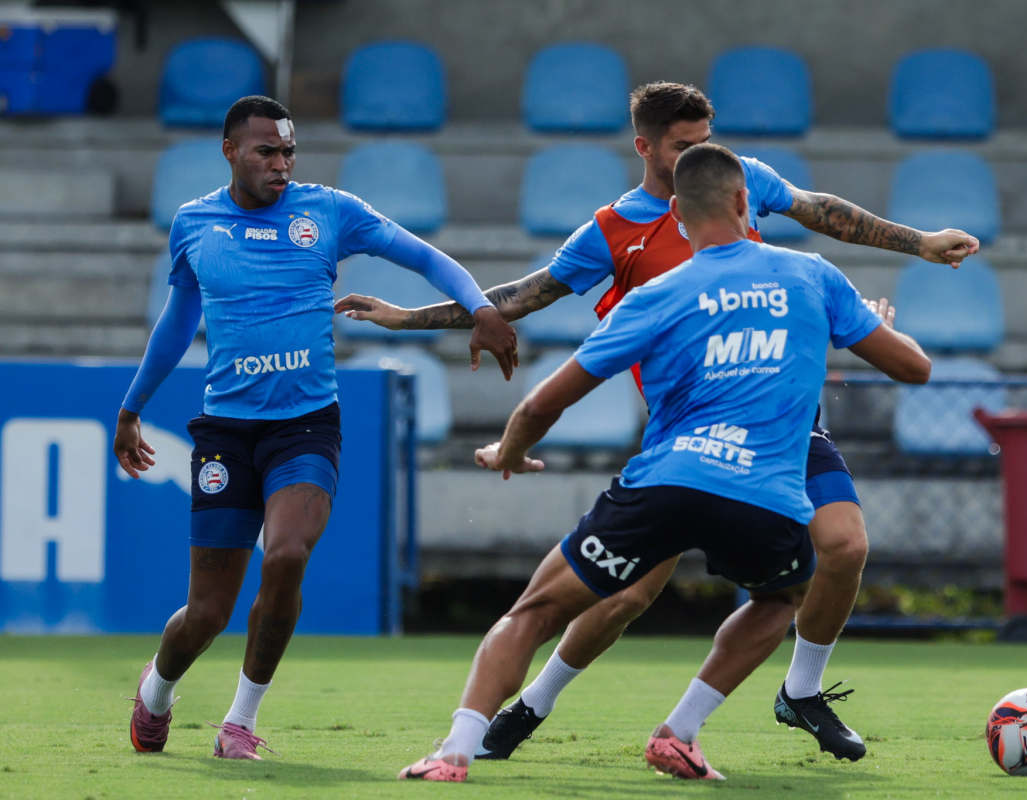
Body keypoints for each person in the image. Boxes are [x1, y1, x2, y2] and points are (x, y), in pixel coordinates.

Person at [337, 82, 979, 763]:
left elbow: (820, 209)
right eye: (684, 145)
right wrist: (410, 319)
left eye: (706, 141)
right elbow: (522, 297)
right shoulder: (612, 232)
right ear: (646, 148)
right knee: (626, 597)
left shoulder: (735, 176)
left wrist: (920, 243)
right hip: (681, 432)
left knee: (845, 546)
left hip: (782, 427)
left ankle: (801, 691)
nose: (701, 152)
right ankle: (531, 705)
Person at [115, 95, 517, 760]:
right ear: (230, 152)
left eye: (288, 152)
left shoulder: (329, 211)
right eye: (265, 152)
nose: (280, 164)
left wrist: (480, 306)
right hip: (225, 431)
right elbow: (179, 321)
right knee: (207, 613)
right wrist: (132, 408)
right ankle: (156, 691)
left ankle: (239, 722)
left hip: (305, 427)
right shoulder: (194, 224)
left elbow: (425, 257)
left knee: (288, 555)